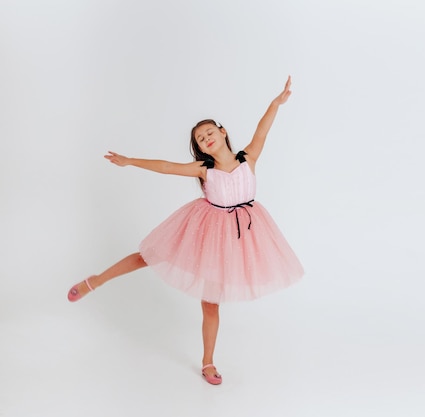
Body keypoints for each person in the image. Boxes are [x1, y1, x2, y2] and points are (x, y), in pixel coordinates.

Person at [67, 76, 304, 385]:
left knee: (211, 303)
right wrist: (129, 161)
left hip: (242, 237)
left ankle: (208, 363)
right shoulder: (204, 170)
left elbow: (263, 128)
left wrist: (276, 103)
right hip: (206, 230)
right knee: (146, 257)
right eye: (199, 138)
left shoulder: (248, 157)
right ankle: (94, 281)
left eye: (209, 132)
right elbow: (165, 166)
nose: (205, 138)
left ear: (222, 132)